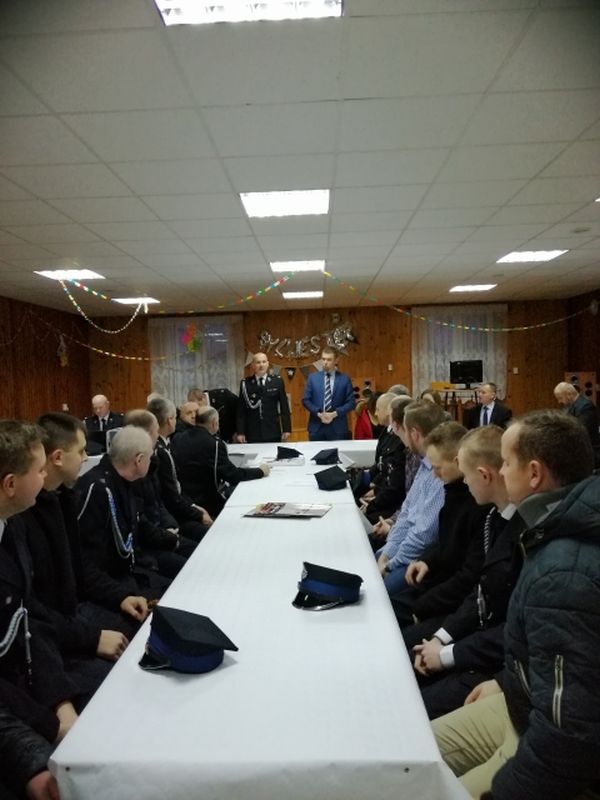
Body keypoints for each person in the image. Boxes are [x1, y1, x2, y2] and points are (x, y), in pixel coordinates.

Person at [433, 410, 599, 800]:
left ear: (535, 473)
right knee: (409, 751)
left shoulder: (564, 573)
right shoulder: (553, 528)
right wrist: (506, 680)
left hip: (546, 740)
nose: (502, 471)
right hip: (521, 704)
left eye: (507, 463)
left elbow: (569, 735)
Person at [410, 425, 522, 719]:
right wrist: (440, 640)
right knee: (409, 666)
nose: (464, 482)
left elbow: (511, 624)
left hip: (495, 659)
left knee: (413, 706)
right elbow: (480, 592)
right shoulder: (495, 519)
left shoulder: (522, 532)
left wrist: (446, 654)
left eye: (466, 474)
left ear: (484, 475)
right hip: (479, 642)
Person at [21, 412, 128, 683]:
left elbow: (78, 566)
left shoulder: (62, 497)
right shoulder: (21, 517)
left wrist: (120, 597)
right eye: (81, 451)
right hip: (51, 639)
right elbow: (31, 611)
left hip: (69, 621)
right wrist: (91, 638)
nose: (85, 458)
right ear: (57, 457)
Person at [0, 420, 81, 743]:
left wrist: (59, 699)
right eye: (39, 470)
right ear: (10, 484)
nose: (46, 474)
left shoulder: (13, 525)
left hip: (28, 676)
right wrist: (50, 724)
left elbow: (27, 614)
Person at [390, 421, 488, 634]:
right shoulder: (453, 492)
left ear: (457, 462)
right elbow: (446, 543)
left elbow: (468, 576)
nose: (434, 474)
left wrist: (424, 605)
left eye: (437, 467)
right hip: (439, 584)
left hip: (451, 599)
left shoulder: (479, 505)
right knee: (385, 607)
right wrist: (427, 560)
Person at [76, 426, 169, 628]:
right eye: (150, 457)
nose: (152, 461)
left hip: (128, 570)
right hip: (107, 586)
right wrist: (122, 595)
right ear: (139, 460)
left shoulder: (124, 481)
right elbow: (86, 562)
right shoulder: (97, 489)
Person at [374, 400, 447, 595]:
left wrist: (390, 564)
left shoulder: (438, 473)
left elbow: (424, 535)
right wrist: (387, 554)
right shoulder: (424, 465)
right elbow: (406, 514)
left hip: (419, 558)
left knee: (379, 594)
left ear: (414, 434)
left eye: (404, 431)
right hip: (405, 550)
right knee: (371, 563)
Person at [171, 406, 270, 518]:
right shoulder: (215, 444)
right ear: (214, 423)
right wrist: (260, 471)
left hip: (184, 499)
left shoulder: (178, 438)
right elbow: (233, 475)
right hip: (208, 502)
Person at [146, 396, 212, 536]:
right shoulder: (161, 452)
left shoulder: (166, 444)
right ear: (170, 420)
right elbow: (172, 497)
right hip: (172, 516)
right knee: (210, 533)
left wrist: (193, 506)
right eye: (175, 417)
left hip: (178, 505)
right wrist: (198, 514)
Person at [236, 353, 291, 443]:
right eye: (258, 362)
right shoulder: (245, 383)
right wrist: (240, 432)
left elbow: (284, 407)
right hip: (252, 432)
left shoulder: (277, 381)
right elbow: (241, 410)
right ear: (253, 365)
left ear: (268, 364)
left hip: (273, 430)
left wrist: (286, 429)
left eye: (264, 362)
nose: (261, 365)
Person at [302, 347, 355, 441]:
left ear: (336, 360)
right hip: (316, 426)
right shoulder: (312, 378)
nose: (325, 362)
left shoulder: (344, 379)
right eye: (323, 359)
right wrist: (319, 414)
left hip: (338, 427)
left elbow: (351, 403)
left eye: (329, 360)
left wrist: (334, 414)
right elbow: (306, 400)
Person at [554, 380, 600, 466]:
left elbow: (580, 431)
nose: (559, 402)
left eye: (560, 398)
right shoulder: (570, 406)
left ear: (568, 394)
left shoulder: (585, 406)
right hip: (577, 448)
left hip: (588, 452)